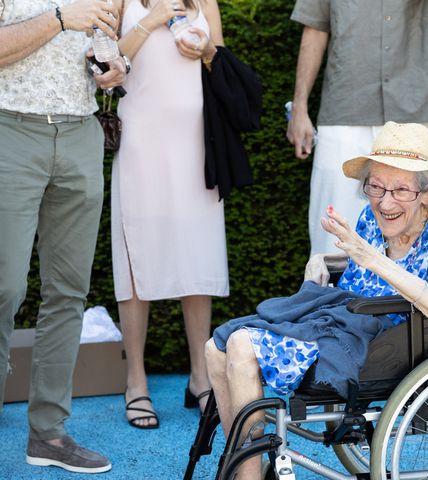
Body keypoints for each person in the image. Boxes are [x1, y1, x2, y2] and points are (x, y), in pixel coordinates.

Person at [205, 122, 428, 479]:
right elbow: (357, 263)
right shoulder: (371, 219)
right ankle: (247, 464)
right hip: (342, 319)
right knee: (214, 348)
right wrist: (325, 261)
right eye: (375, 186)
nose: (385, 202)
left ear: (427, 192)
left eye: (400, 190)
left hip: (389, 338)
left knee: (239, 344)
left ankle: (247, 476)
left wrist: (372, 258)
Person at [0, 0, 126, 473]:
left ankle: (48, 434)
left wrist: (114, 68)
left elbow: (105, 49)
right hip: (10, 129)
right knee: (3, 288)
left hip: (80, 134)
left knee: (69, 292)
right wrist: (57, 18)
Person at [111, 0, 227, 429]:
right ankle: (135, 381)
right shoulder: (120, 1)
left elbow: (222, 61)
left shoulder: (205, 2)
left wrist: (206, 52)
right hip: (140, 141)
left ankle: (201, 376)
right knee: (136, 256)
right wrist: (152, 21)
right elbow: (107, 59)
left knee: (196, 255)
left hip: (197, 144)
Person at [286, 0, 428, 256]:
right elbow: (315, 29)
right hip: (345, 107)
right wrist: (299, 108)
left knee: (418, 236)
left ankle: (412, 297)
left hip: (413, 113)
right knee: (333, 234)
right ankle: (328, 296)